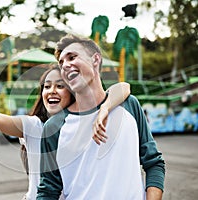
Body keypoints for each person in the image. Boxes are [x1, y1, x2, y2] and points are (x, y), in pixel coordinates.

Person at [0, 64, 130, 200]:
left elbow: (123, 87)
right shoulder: (35, 127)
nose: (51, 91)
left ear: (74, 93)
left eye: (60, 86)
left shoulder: (88, 124)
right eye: (47, 86)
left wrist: (104, 108)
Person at [37, 34, 165, 200]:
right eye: (61, 63)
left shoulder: (129, 106)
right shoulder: (54, 126)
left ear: (95, 59)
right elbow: (48, 191)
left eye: (72, 57)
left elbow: (154, 163)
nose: (66, 65)